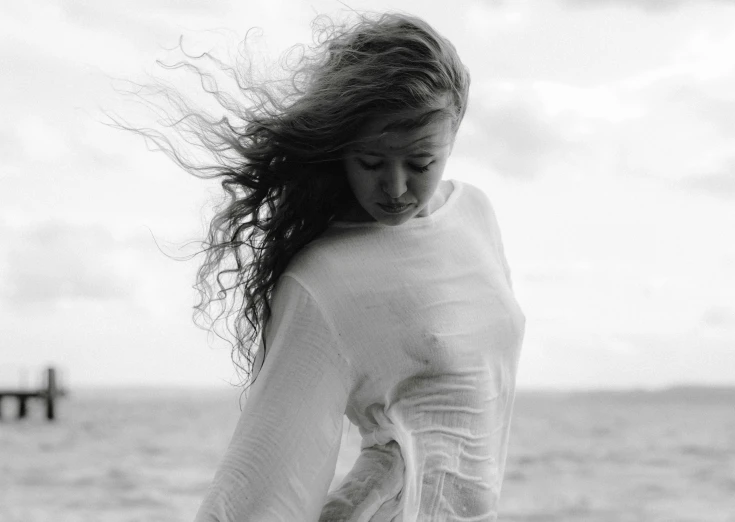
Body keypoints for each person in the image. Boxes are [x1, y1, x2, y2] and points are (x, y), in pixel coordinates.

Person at [133, 11, 525, 521]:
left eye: (421, 163)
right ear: (342, 148)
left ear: (454, 135)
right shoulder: (325, 278)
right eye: (370, 162)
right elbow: (260, 480)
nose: (396, 187)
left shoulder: (475, 214)